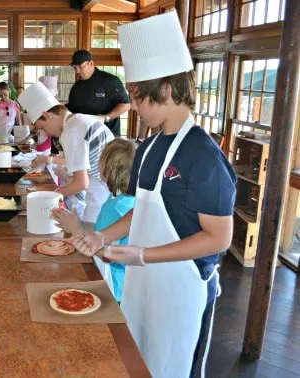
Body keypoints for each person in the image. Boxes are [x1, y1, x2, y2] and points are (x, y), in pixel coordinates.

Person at [70, 12, 237, 378]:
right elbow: (143, 211)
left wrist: (145, 254)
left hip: (183, 291)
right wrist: (102, 235)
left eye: (135, 95)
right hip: (143, 283)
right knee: (139, 363)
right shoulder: (147, 148)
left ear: (163, 89)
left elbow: (218, 238)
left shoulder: (204, 158)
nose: (133, 104)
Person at [51, 139, 135, 302]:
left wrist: (75, 229)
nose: (98, 162)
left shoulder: (115, 208)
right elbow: (99, 233)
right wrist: (76, 223)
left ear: (110, 168)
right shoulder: (125, 199)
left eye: (101, 159)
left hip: (112, 284)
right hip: (121, 281)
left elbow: (98, 248)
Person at [18, 82, 114, 225]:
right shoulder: (78, 120)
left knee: (88, 235)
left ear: (47, 115)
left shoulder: (72, 132)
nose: (46, 133)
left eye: (42, 127)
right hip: (110, 190)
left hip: (102, 193)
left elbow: (81, 183)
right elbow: (77, 159)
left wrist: (48, 197)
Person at [67, 49, 131, 138]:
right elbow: (72, 111)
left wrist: (106, 117)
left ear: (91, 63)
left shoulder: (110, 81)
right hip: (85, 137)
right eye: (74, 68)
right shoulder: (76, 88)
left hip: (109, 136)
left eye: (80, 67)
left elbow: (126, 104)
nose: (77, 71)